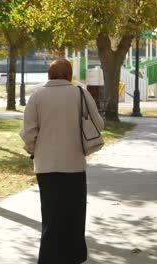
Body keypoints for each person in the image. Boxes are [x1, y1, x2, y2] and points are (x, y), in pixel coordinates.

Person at [20, 59, 104, 264]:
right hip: (74, 164)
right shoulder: (80, 93)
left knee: (50, 215)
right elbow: (98, 124)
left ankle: (49, 258)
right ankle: (73, 256)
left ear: (49, 75)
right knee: (74, 215)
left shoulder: (37, 95)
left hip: (45, 165)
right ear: (69, 75)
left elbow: (29, 132)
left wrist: (34, 149)